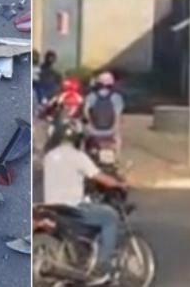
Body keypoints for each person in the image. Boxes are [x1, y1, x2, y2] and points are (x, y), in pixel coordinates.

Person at [42, 121, 127, 285]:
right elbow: (101, 178)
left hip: (51, 207)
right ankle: (102, 266)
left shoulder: (49, 156)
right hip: (72, 208)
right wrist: (119, 184)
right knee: (110, 217)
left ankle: (82, 255)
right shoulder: (78, 156)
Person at [84, 71, 125, 151]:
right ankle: (117, 158)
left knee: (84, 138)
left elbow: (85, 112)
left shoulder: (91, 96)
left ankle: (87, 156)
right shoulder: (117, 97)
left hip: (94, 131)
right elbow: (118, 115)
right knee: (118, 139)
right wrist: (115, 128)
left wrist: (90, 123)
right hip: (111, 131)